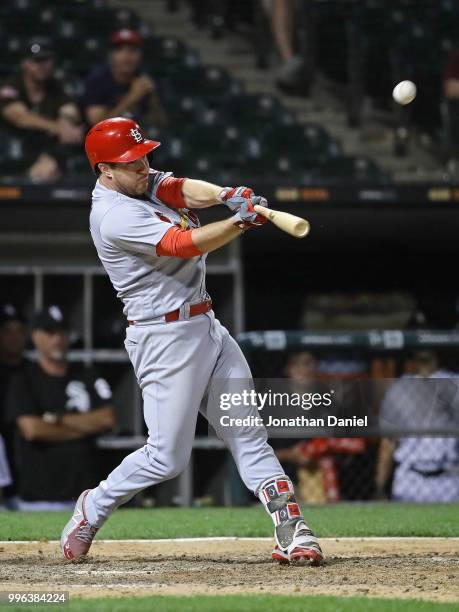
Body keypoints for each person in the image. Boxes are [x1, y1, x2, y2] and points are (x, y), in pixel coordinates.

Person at [60, 116, 323, 567]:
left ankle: (292, 529)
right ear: (104, 170)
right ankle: (93, 506)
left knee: (247, 434)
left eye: (144, 156)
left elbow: (180, 188)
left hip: (206, 326)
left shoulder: (139, 183)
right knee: (166, 458)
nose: (143, 166)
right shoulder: (113, 214)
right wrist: (238, 223)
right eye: (130, 161)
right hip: (162, 338)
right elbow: (183, 244)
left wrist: (224, 196)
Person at [6, 306, 116, 510]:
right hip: (38, 496)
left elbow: (107, 418)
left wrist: (56, 420)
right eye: (49, 332)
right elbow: (32, 429)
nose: (57, 338)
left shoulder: (86, 373)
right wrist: (85, 427)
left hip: (88, 495)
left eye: (62, 331)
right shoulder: (24, 377)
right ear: (36, 336)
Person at [375, 350, 459, 502]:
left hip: (449, 477)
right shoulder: (399, 387)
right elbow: (388, 442)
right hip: (409, 477)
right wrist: (379, 485)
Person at [0, 38, 83, 181]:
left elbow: (69, 110)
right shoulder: (11, 85)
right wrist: (58, 127)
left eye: (46, 60)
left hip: (45, 151)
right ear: (25, 63)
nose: (42, 66)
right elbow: (20, 118)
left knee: (53, 165)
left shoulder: (58, 86)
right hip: (12, 153)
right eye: (36, 61)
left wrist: (66, 122)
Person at [84, 29, 168, 128]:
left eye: (133, 50)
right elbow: (98, 127)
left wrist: (152, 98)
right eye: (120, 50)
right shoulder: (98, 80)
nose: (127, 56)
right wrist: (132, 98)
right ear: (111, 55)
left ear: (140, 55)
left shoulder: (144, 78)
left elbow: (161, 124)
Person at [0, 304, 28, 507]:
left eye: (19, 331)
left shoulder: (33, 371)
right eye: (7, 331)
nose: (14, 337)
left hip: (26, 453)